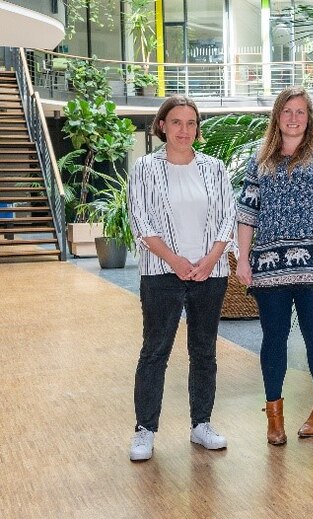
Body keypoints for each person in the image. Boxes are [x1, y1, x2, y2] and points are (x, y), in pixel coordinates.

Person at [235, 87, 313, 446]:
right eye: (288, 111)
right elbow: (247, 213)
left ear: (309, 118)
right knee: (273, 339)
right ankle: (274, 414)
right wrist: (242, 258)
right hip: (269, 269)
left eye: (301, 112)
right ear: (277, 117)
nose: (294, 118)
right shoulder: (260, 160)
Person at [127, 95, 236, 461]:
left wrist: (210, 260)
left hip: (210, 272)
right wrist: (174, 260)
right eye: (176, 122)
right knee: (155, 351)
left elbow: (227, 218)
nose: (184, 130)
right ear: (162, 126)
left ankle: (201, 424)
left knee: (204, 352)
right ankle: (145, 430)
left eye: (191, 123)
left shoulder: (215, 168)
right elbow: (142, 221)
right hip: (162, 272)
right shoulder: (144, 168)